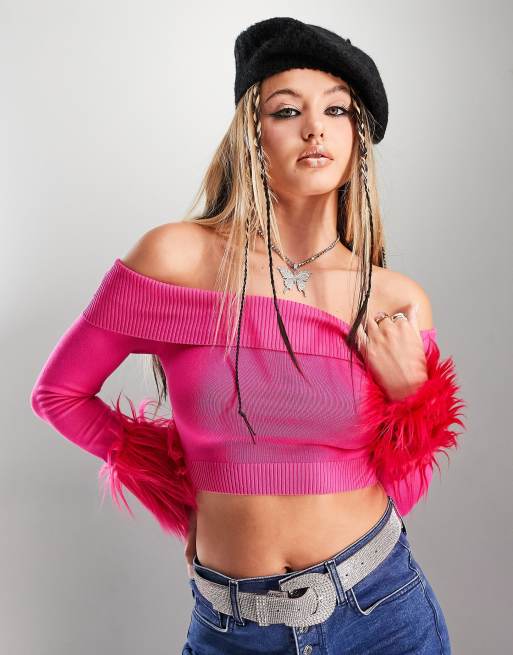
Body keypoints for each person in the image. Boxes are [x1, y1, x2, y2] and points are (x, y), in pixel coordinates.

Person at [30, 16, 467, 655]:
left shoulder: (393, 299)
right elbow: (59, 395)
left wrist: (411, 398)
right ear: (251, 134)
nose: (315, 128)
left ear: (357, 138)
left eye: (337, 110)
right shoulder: (176, 259)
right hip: (234, 625)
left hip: (382, 611)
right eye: (287, 110)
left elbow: (401, 488)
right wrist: (185, 498)